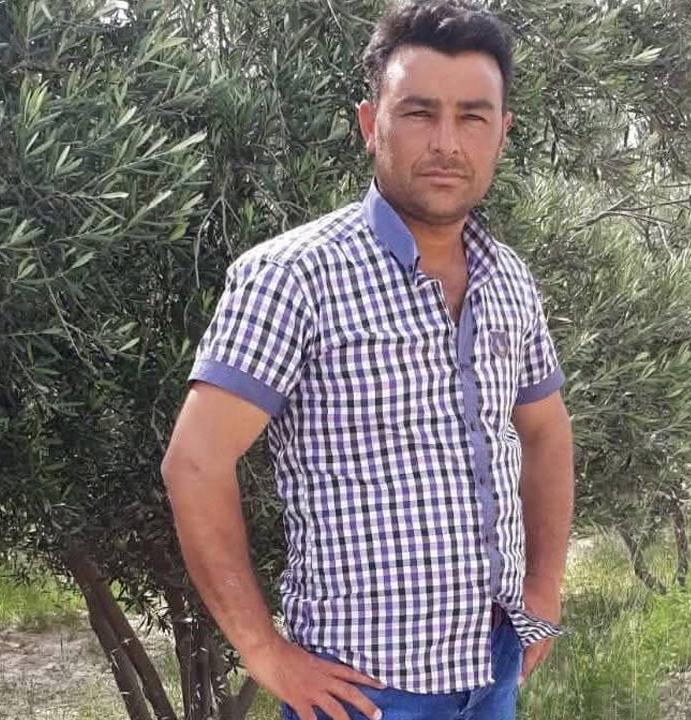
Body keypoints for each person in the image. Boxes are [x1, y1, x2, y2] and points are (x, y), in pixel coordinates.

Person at [159, 2, 575, 718]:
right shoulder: (294, 277)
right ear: (369, 124)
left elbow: (546, 431)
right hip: (363, 691)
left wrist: (543, 586)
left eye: (472, 117)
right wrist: (262, 651)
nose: (446, 142)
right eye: (419, 112)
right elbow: (194, 462)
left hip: (494, 667)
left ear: (502, 133)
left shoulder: (508, 278)